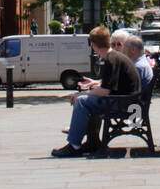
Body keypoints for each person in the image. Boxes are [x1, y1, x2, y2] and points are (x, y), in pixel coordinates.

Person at [51, 26, 141, 157]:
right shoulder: (115, 57)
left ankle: (74, 145)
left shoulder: (111, 60)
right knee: (89, 101)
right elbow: (108, 86)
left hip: (124, 105)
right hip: (129, 102)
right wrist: (94, 86)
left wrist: (81, 94)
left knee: (82, 102)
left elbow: (105, 91)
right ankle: (92, 142)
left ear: (93, 44)